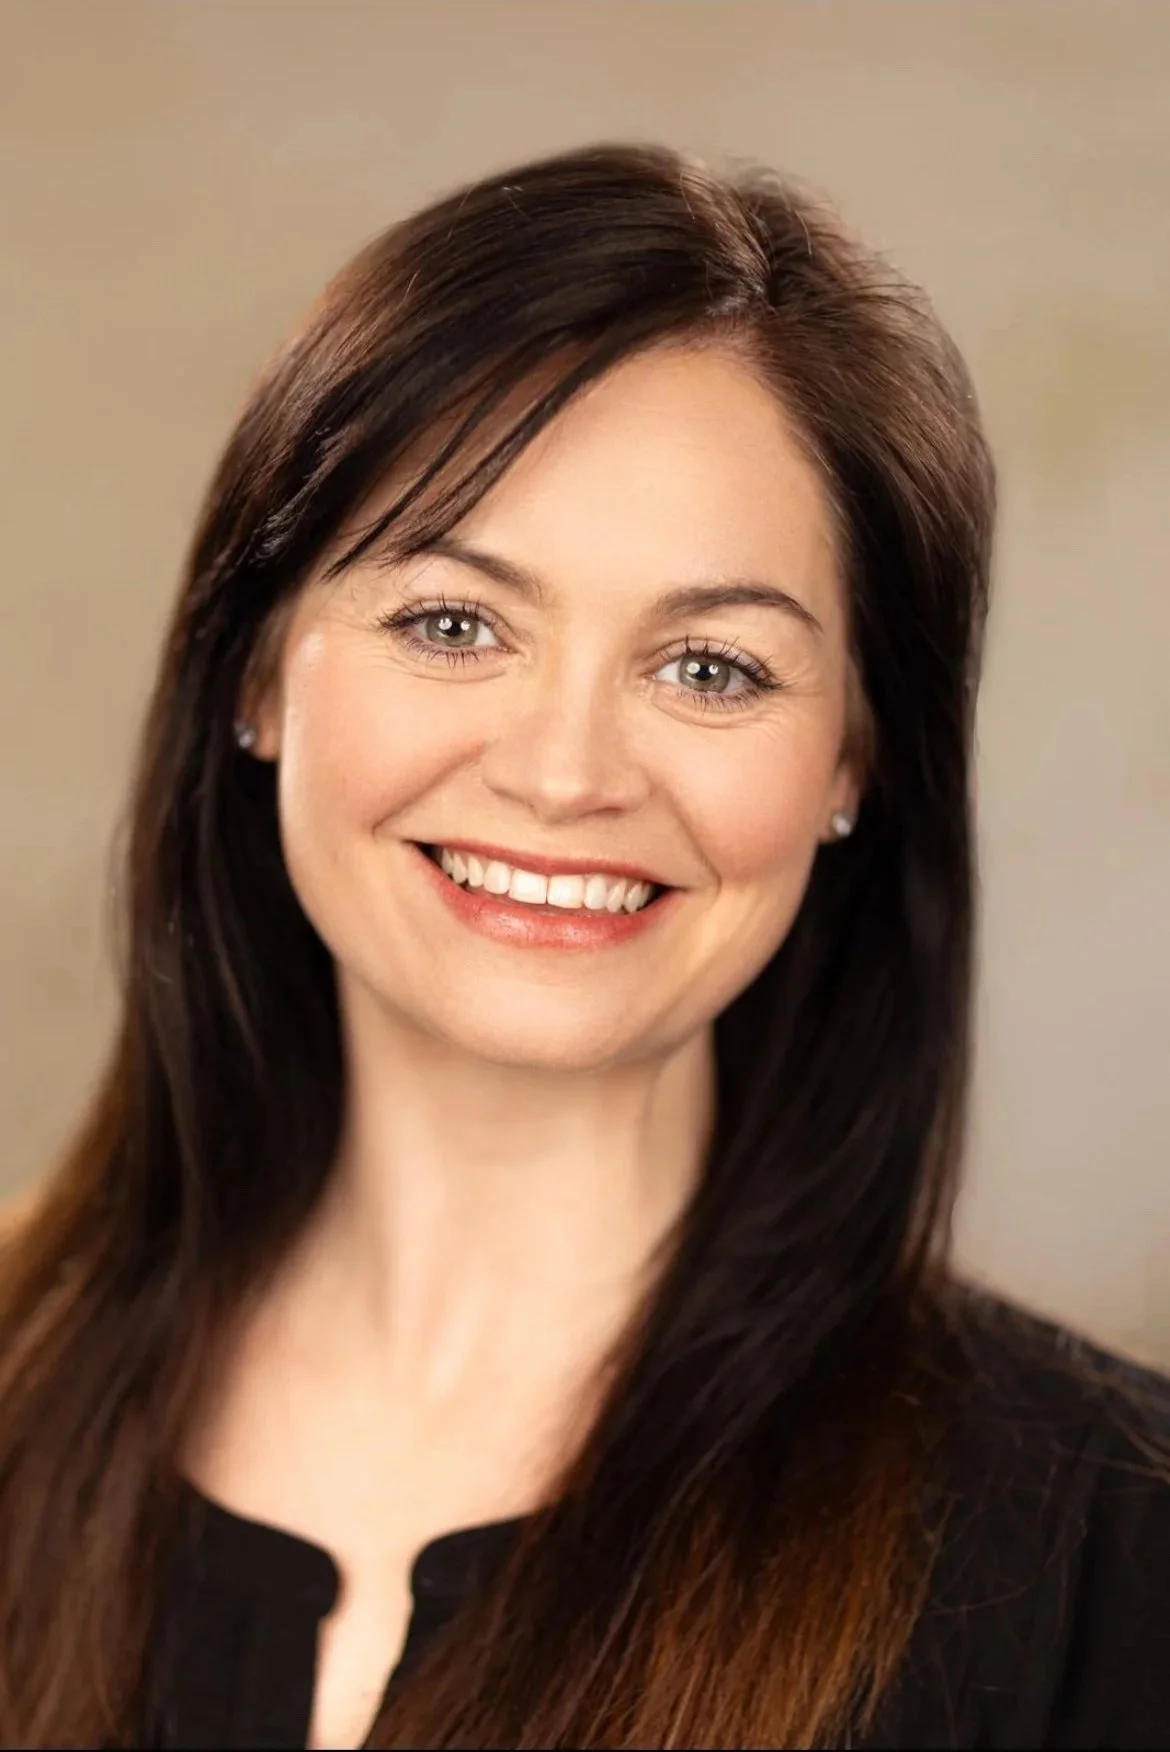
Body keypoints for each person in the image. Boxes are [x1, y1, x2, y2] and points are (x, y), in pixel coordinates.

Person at [0, 139, 1167, 1752]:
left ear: (852, 764)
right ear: (254, 678)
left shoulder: (1112, 1550)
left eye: (707, 668)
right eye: (452, 624)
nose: (563, 773)